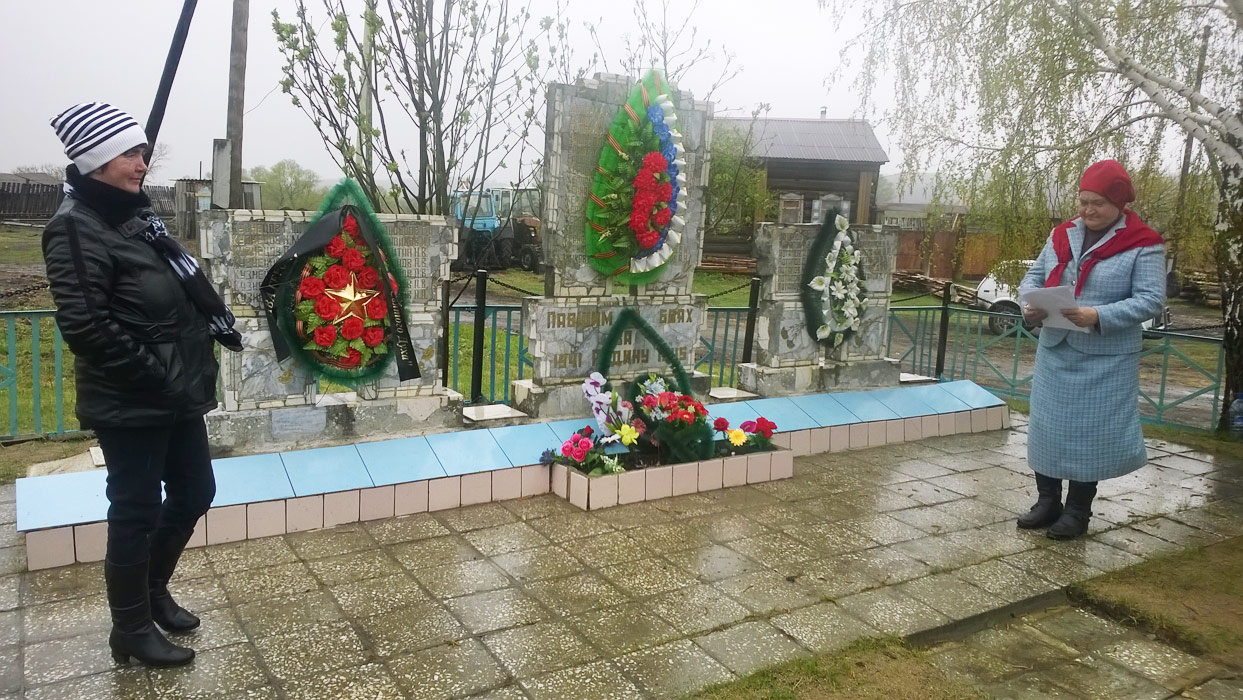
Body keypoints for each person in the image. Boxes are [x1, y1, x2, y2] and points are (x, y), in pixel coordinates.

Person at [42, 102, 243, 667]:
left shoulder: (135, 219)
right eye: (129, 153)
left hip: (174, 395)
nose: (142, 163)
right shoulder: (74, 227)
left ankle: (151, 592)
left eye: (141, 151)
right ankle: (129, 627)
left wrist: (179, 379)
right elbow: (85, 326)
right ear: (95, 161)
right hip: (131, 399)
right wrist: (156, 378)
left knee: (195, 492)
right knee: (135, 510)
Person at [1017, 159, 1165, 540]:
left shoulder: (1144, 243)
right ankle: (1047, 501)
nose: (1087, 210)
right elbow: (1033, 277)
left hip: (1105, 358)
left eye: (1097, 202)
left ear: (1119, 203)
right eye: (1083, 201)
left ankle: (1078, 511)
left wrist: (1097, 315)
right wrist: (1029, 304)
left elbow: (1151, 300)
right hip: (1056, 348)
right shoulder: (1061, 234)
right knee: (1047, 429)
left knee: (1089, 435)